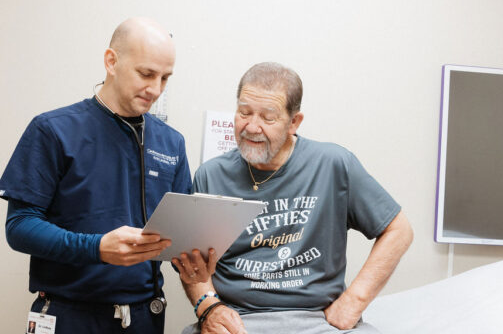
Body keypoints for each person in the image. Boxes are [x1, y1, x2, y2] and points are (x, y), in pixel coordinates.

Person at [0, 17, 213, 334]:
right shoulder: (53, 130)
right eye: (146, 74)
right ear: (111, 61)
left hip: (145, 316)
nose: (155, 89)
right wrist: (96, 248)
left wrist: (201, 255)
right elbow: (19, 227)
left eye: (165, 78)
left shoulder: (171, 142)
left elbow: (179, 234)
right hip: (69, 315)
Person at [177, 62, 414, 334]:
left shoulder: (334, 164)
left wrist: (355, 300)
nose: (252, 127)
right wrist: (209, 308)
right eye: (244, 112)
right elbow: (192, 263)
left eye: (268, 118)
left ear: (294, 122)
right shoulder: (212, 175)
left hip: (317, 320)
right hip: (239, 321)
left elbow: (399, 229)